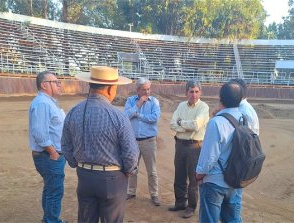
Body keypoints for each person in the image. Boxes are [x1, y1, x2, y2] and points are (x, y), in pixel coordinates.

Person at [61, 66, 139, 223]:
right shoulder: (118, 116)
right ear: (110, 89)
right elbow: (131, 154)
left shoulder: (74, 111)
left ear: (91, 85)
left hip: (84, 176)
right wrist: (127, 171)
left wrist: (77, 164)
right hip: (112, 178)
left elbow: (66, 147)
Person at [195, 81, 245, 223]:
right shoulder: (243, 118)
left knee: (209, 219)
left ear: (220, 98)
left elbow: (209, 157)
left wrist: (199, 174)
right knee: (232, 219)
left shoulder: (216, 122)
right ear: (240, 99)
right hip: (235, 180)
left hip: (215, 182)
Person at [28, 71, 67, 223]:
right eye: (55, 82)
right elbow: (39, 133)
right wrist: (53, 153)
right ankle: (51, 221)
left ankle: (49, 219)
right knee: (55, 191)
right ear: (44, 85)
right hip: (49, 156)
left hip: (50, 156)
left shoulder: (48, 102)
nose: (59, 85)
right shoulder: (43, 103)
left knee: (51, 189)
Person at [169, 80, 210, 219]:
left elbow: (196, 125)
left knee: (193, 178)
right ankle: (180, 202)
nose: (194, 94)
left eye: (196, 91)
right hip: (180, 145)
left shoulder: (204, 107)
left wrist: (181, 123)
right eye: (191, 91)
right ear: (186, 92)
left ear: (200, 92)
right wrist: (185, 126)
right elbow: (172, 124)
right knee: (179, 175)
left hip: (195, 146)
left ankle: (191, 207)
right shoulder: (181, 105)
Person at [124, 77, 161, 206]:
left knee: (152, 170)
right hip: (133, 141)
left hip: (149, 141)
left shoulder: (154, 102)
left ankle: (154, 194)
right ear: (138, 90)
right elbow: (126, 116)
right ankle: (131, 191)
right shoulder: (130, 101)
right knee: (133, 168)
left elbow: (154, 118)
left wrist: (138, 115)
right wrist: (138, 105)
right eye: (144, 89)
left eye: (148, 89)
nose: (147, 92)